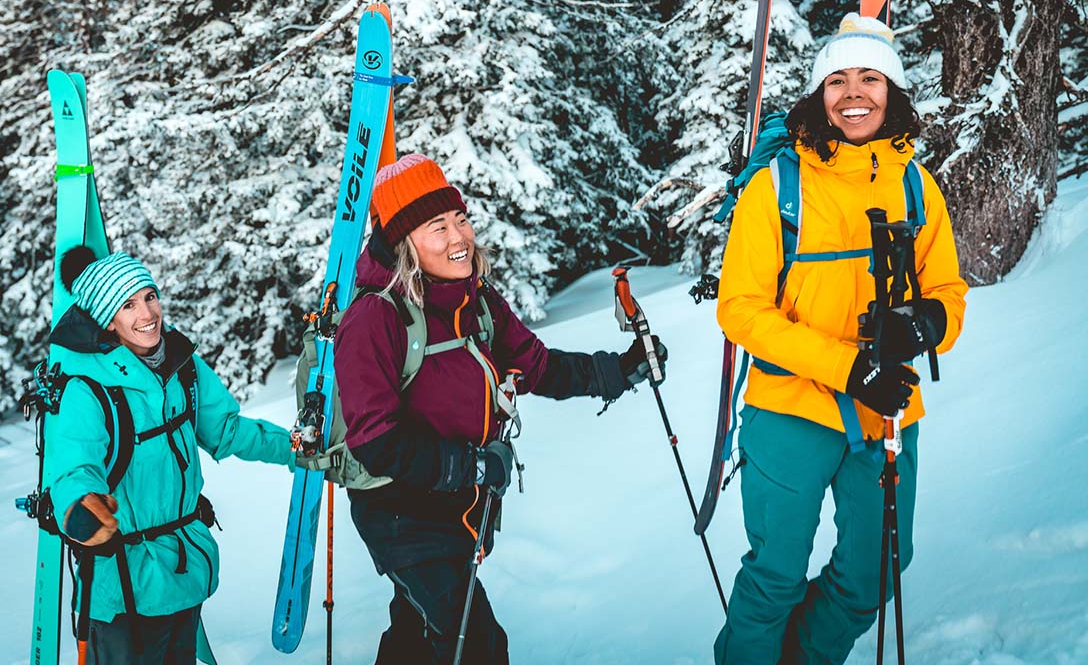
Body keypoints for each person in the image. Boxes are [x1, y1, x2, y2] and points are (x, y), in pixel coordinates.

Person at [334, 153, 668, 665]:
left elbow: (537, 367)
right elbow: (376, 442)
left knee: (418, 634)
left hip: (461, 507)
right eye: (436, 227)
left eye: (460, 220)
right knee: (477, 646)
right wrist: (470, 465)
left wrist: (618, 371)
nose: (457, 237)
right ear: (404, 243)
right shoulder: (374, 318)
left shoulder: (476, 299)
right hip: (400, 515)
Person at [713, 13, 969, 663]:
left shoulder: (916, 183)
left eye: (870, 78)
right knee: (773, 579)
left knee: (876, 572)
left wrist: (922, 326)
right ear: (819, 93)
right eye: (839, 80)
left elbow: (948, 292)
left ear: (893, 91)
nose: (854, 93)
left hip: (887, 411)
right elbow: (740, 311)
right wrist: (851, 369)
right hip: (788, 410)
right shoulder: (777, 189)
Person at [44, 247, 296, 664]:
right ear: (108, 320)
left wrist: (294, 449)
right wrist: (83, 506)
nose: (148, 312)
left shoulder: (182, 366)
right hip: (125, 587)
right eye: (128, 304)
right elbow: (74, 467)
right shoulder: (87, 389)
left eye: (149, 296)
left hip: (183, 567)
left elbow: (228, 431)